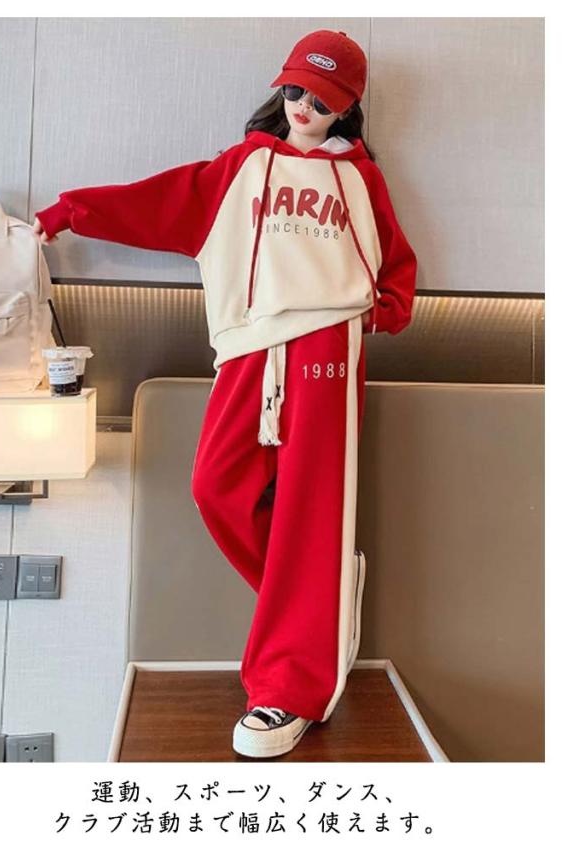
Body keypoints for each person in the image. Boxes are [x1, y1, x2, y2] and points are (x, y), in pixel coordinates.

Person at [33, 29, 417, 760]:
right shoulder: (242, 168)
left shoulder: (361, 179)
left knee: (310, 510)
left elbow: (393, 258)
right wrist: (68, 211)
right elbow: (156, 202)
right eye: (295, 91)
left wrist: (386, 309)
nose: (303, 108)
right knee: (216, 487)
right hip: (247, 347)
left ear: (346, 108)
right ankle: (323, 600)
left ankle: (288, 688)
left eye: (322, 101)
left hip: (328, 349)